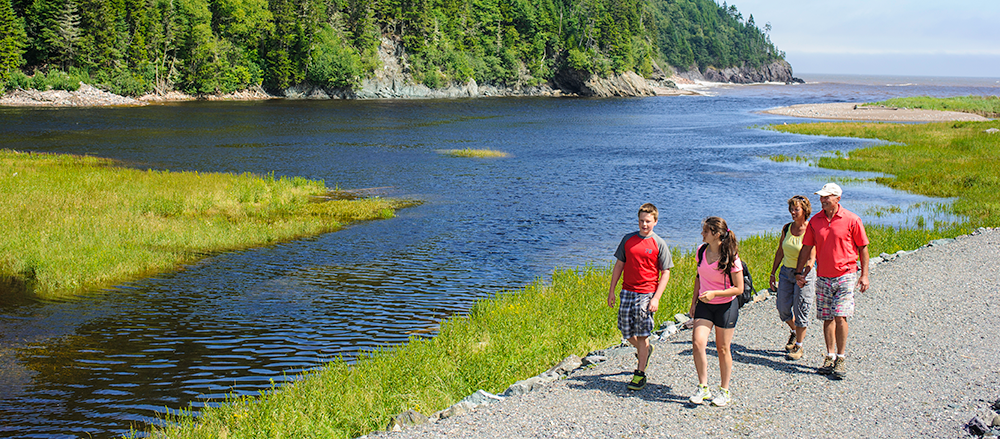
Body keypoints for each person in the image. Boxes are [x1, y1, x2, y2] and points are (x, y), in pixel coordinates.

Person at [795, 183, 870, 380]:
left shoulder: (852, 219)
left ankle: (841, 357)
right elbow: (806, 247)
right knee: (827, 317)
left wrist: (864, 275)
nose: (822, 200)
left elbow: (862, 247)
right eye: (821, 197)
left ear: (837, 199)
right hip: (823, 276)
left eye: (826, 197)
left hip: (845, 274)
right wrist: (799, 272)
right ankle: (829, 356)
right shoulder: (815, 222)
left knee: (840, 316)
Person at [607, 203, 673, 391]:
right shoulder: (628, 240)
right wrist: (612, 291)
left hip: (647, 293)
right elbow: (619, 265)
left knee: (643, 333)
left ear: (655, 222)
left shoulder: (658, 243)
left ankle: (640, 373)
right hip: (627, 291)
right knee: (625, 330)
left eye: (648, 221)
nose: (644, 225)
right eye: (641, 221)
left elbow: (666, 272)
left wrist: (656, 298)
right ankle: (645, 350)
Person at [688, 216, 743, 406]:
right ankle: (703, 387)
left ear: (716, 234)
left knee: (722, 348)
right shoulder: (701, 251)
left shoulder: (731, 257)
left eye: (705, 231)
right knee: (697, 343)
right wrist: (694, 302)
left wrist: (715, 294)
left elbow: (739, 288)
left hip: (726, 305)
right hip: (705, 304)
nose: (702, 234)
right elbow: (698, 277)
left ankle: (724, 391)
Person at [768, 195, 817, 361]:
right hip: (786, 272)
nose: (793, 212)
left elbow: (811, 258)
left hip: (804, 273)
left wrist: (802, 275)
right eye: (791, 209)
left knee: (801, 309)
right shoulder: (787, 228)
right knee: (782, 308)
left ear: (805, 210)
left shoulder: (811, 229)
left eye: (796, 209)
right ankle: (795, 332)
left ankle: (799, 346)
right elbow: (780, 251)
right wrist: (773, 272)